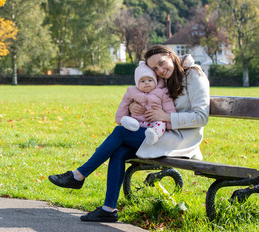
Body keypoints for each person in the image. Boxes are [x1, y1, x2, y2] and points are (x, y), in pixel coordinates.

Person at [48, 44, 210, 222]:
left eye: (162, 63)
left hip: (181, 139)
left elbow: (201, 117)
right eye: (155, 68)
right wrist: (135, 107)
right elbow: (150, 96)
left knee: (120, 132)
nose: (160, 70)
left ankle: (78, 175)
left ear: (170, 55)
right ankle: (108, 209)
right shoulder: (167, 77)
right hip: (160, 132)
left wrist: (166, 116)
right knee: (119, 151)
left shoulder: (194, 75)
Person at [116, 61, 176, 145]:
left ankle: (154, 135)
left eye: (150, 80)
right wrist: (120, 118)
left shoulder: (162, 92)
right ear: (137, 84)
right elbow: (123, 105)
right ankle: (130, 124)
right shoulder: (132, 92)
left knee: (161, 124)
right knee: (130, 121)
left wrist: (170, 124)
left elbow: (169, 107)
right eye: (142, 81)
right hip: (138, 122)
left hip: (155, 122)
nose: (146, 82)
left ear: (155, 81)